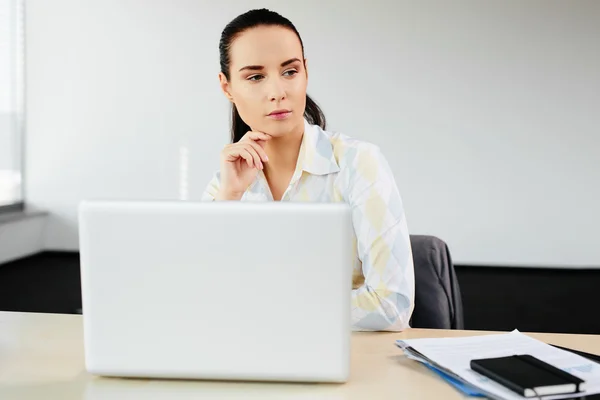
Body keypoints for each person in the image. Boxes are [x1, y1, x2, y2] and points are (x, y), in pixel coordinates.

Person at [201, 8, 415, 332]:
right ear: (227, 86)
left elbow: (392, 304)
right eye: (255, 76)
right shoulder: (224, 186)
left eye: (289, 71)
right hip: (253, 356)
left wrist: (275, 311)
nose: (278, 91)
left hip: (356, 361)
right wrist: (230, 197)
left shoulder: (358, 164)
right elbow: (201, 296)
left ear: (305, 72)